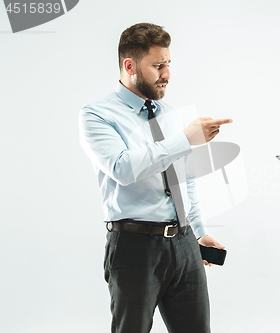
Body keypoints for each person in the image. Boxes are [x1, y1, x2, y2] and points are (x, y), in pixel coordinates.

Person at [79, 23, 232, 333]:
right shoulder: (97, 115)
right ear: (130, 66)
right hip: (134, 246)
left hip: (185, 244)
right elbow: (122, 168)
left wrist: (198, 231)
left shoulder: (172, 115)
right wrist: (185, 138)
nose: (167, 74)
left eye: (168, 64)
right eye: (158, 65)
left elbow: (185, 181)